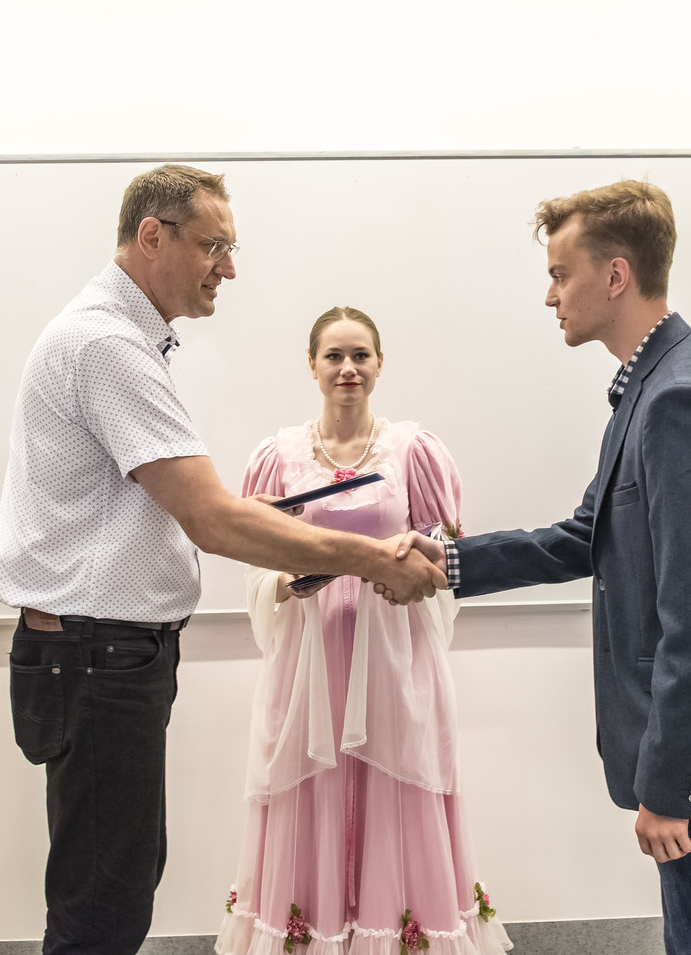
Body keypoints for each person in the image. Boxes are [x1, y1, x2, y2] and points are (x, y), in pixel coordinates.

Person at [0, 165, 445, 955]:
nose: (227, 268)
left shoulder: (120, 337)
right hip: (97, 655)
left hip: (103, 652)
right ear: (152, 236)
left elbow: (162, 506)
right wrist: (372, 558)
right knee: (103, 902)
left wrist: (262, 523)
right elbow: (207, 517)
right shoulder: (107, 344)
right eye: (213, 246)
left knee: (115, 880)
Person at [396, 180, 691, 955]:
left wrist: (672, 786)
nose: (551, 296)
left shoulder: (682, 400)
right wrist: (450, 560)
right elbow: (584, 536)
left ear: (616, 275)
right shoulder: (652, 389)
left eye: (561, 275)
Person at [214, 307, 512, 955]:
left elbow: (444, 555)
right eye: (334, 356)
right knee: (312, 791)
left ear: (380, 363)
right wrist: (288, 581)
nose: (347, 369)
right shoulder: (276, 457)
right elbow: (253, 562)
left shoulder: (414, 451)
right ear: (312, 365)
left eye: (360, 356)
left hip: (394, 655)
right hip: (311, 659)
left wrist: (409, 562)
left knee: (397, 790)